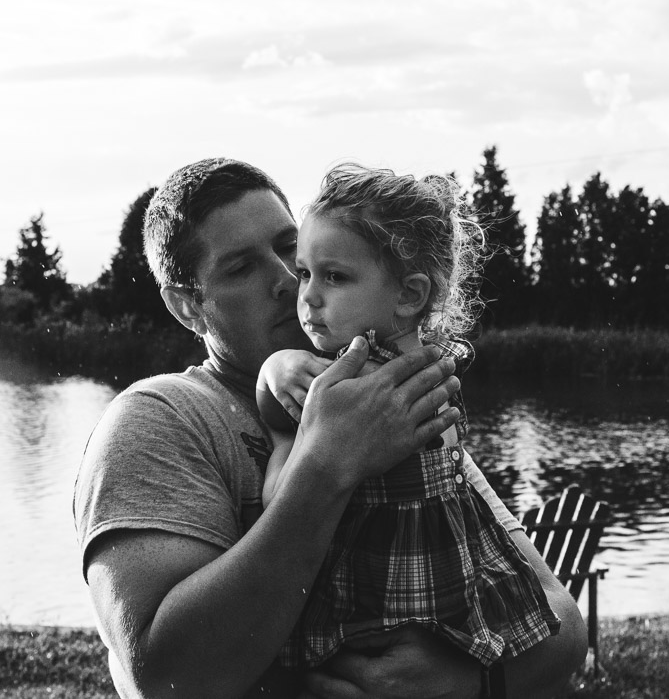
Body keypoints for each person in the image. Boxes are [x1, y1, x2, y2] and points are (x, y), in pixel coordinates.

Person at [73, 157, 587, 699]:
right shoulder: (161, 416)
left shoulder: (386, 396)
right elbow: (162, 675)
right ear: (186, 307)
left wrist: (467, 681)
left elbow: (564, 627)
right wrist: (327, 465)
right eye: (241, 268)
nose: (286, 280)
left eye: (288, 250)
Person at [256, 164, 562, 676]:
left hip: (378, 604)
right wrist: (278, 367)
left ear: (409, 295)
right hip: (442, 607)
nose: (305, 295)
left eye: (334, 276)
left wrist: (280, 406)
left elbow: (279, 498)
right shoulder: (428, 370)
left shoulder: (359, 387)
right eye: (304, 272)